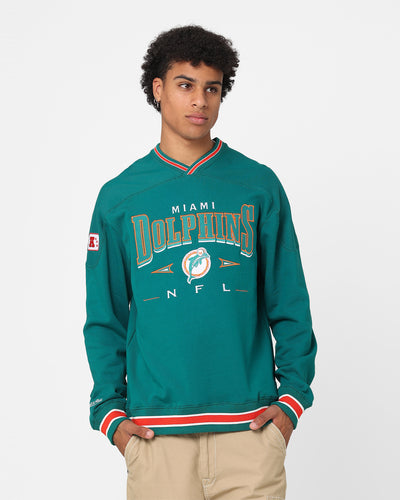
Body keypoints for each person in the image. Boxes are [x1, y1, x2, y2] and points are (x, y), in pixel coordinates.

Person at [83, 25, 317, 500]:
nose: (200, 101)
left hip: (251, 432)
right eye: (185, 85)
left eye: (212, 88)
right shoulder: (119, 198)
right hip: (156, 437)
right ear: (158, 89)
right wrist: (110, 412)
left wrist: (292, 400)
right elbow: (105, 316)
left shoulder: (258, 186)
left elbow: (289, 300)